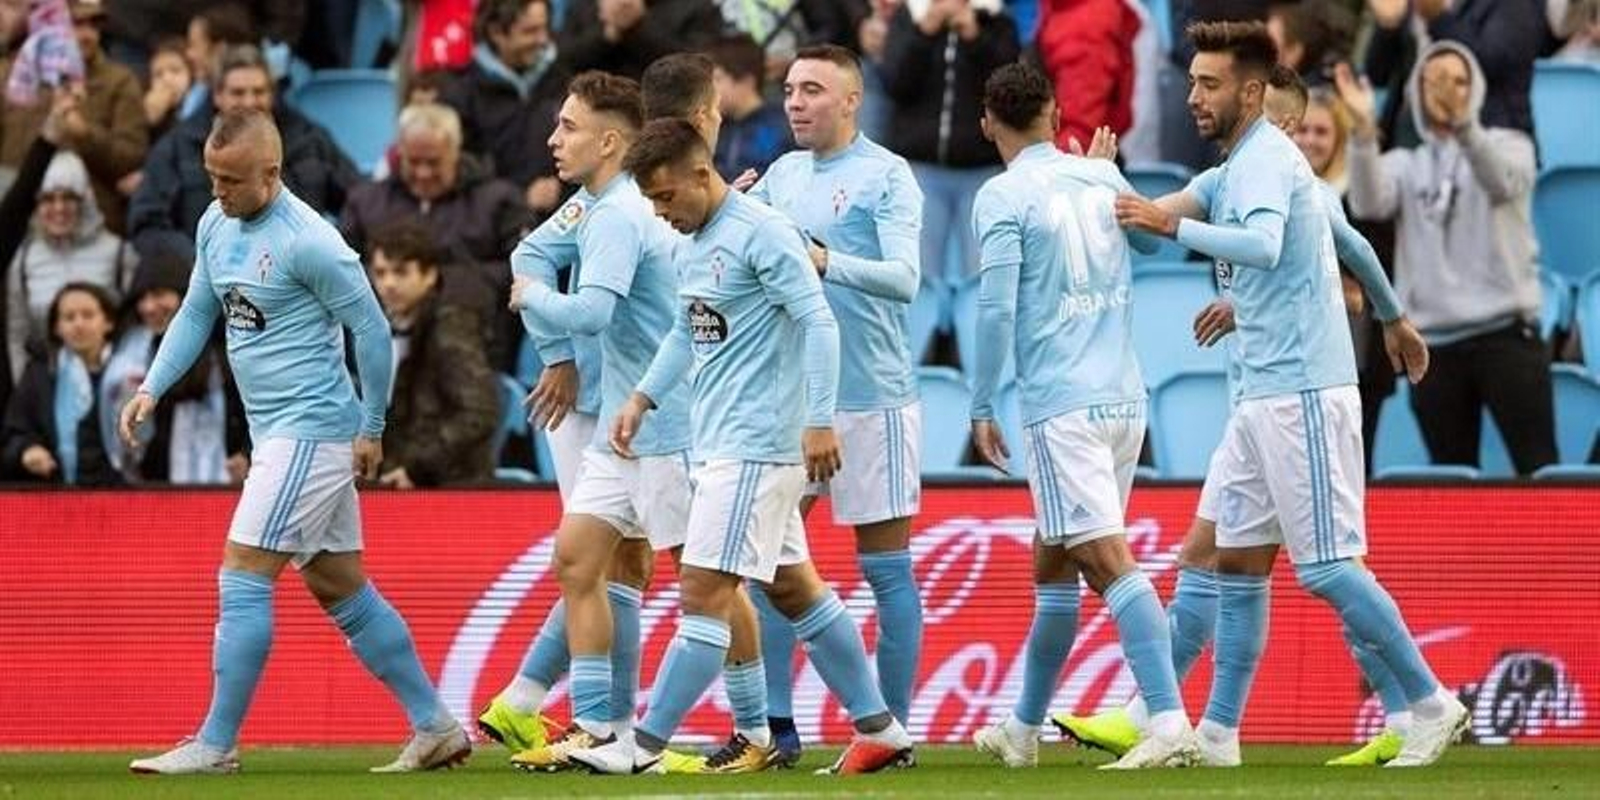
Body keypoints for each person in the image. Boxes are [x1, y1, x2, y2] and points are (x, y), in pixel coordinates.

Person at [1108, 20, 1464, 767]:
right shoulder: (1233, 167)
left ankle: (1431, 703)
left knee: (1329, 567)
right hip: (1259, 397)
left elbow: (1262, 246)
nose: (1194, 96)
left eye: (1208, 85)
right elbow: (1155, 223)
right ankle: (1218, 734)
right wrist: (1106, 188)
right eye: (1193, 82)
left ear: (1248, 90)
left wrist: (1168, 232)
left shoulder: (1268, 160)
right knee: (1235, 562)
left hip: (1301, 388)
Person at [121, 109, 468, 775]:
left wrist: (373, 428)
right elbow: (198, 310)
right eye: (212, 178)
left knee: (243, 574)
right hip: (278, 431)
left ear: (272, 173)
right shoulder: (215, 223)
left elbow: (371, 330)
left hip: (310, 430)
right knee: (341, 585)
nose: (217, 192)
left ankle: (215, 744)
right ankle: (435, 725)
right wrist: (152, 388)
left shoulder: (312, 241)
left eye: (231, 181)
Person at [569, 117, 915, 775]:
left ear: (704, 174)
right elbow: (683, 330)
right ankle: (881, 729)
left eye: (667, 197)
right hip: (725, 441)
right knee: (795, 589)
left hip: (758, 446)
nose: (661, 212)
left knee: (702, 591)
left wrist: (818, 421)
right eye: (651, 202)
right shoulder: (692, 242)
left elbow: (818, 322)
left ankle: (640, 748)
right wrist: (642, 398)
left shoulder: (762, 233)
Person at [956, 62, 1198, 771]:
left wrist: (979, 400)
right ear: (1057, 111)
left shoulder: (1001, 197)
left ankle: (1168, 721)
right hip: (1125, 398)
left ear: (986, 123)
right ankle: (1023, 728)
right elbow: (1154, 240)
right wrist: (1108, 177)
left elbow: (997, 306)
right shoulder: (1100, 176)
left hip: (1062, 405)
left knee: (1105, 560)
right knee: (1053, 565)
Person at [743, 43, 924, 766]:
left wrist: (825, 261)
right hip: (795, 402)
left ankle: (893, 733)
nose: (795, 102)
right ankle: (777, 728)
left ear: (851, 100)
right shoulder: (781, 176)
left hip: (872, 397)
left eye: (813, 89)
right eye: (789, 89)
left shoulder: (888, 176)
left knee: (885, 570)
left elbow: (906, 279)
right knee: (771, 564)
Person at [1342, 44, 1555, 476]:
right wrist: (1363, 133)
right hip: (1435, 344)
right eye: (1433, 79)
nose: (1446, 90)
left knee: (1537, 470)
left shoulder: (1512, 145)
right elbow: (1366, 203)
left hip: (1507, 335)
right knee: (1452, 484)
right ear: (1416, 91)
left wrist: (1465, 125)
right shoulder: (1404, 162)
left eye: (1459, 80)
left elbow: (1499, 181)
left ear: (1476, 89)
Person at [128, 43, 358, 264]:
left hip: (300, 280)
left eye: (259, 92)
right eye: (238, 93)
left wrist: (330, 255)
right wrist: (202, 265)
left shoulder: (309, 140)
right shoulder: (177, 147)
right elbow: (147, 224)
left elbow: (360, 201)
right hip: (210, 284)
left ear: (272, 94)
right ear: (217, 96)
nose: (250, 102)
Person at [879, 0, 1018, 289]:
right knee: (916, 280)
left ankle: (974, 334)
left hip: (982, 171)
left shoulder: (997, 19)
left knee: (984, 279)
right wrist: (925, 31)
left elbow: (1008, 91)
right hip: (919, 170)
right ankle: (922, 336)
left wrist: (974, 36)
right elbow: (895, 82)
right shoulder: (909, 16)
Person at [0, 0, 147, 236]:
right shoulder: (12, 76)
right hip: (19, 225)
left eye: (93, 24)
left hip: (93, 228)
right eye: (74, 24)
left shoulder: (119, 82)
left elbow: (131, 158)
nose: (86, 34)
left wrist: (85, 135)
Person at [367, 222, 498, 488]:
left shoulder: (451, 325)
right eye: (380, 273)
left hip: (451, 486)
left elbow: (479, 412)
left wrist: (417, 469)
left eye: (401, 272)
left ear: (429, 275)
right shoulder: (378, 325)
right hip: (399, 480)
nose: (389, 284)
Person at [101, 252, 249, 484]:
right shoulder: (128, 358)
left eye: (159, 295)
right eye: (143, 298)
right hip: (150, 491)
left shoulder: (227, 350)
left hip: (221, 489)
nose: (149, 307)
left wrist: (246, 453)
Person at [6, 150, 135, 387]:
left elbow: (133, 326)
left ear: (84, 200)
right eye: (48, 199)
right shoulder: (23, 259)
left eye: (68, 198)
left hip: (107, 382)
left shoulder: (118, 252)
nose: (58, 208)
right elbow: (17, 335)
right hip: (46, 383)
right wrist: (24, 391)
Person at [440, 0, 568, 217]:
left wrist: (560, 185)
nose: (543, 40)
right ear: (496, 32)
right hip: (492, 225)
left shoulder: (563, 79)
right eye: (530, 31)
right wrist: (517, 197)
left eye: (544, 28)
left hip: (562, 218)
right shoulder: (461, 93)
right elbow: (458, 166)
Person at [1, 281, 121, 484]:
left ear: (108, 322)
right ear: (56, 328)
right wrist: (27, 450)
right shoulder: (39, 373)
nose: (78, 324)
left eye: (88, 315)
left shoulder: (131, 369)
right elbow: (14, 433)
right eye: (69, 317)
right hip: (57, 498)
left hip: (128, 500)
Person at [707, 34, 790, 182]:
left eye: (718, 79)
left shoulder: (783, 124)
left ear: (746, 80)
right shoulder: (714, 127)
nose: (710, 89)